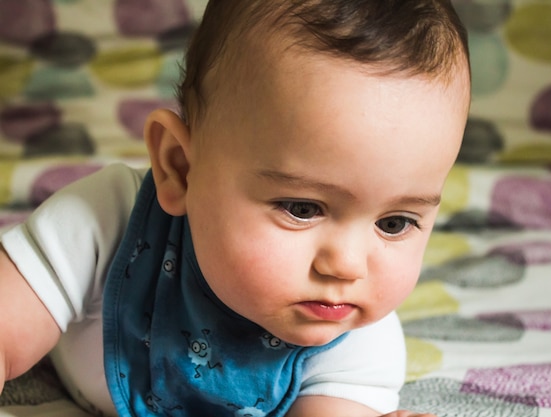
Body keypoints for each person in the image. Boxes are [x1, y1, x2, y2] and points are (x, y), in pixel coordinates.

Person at [0, 0, 470, 416]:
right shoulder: (104, 219)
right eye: (302, 208)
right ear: (180, 169)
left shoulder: (358, 342)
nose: (346, 266)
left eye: (394, 222)